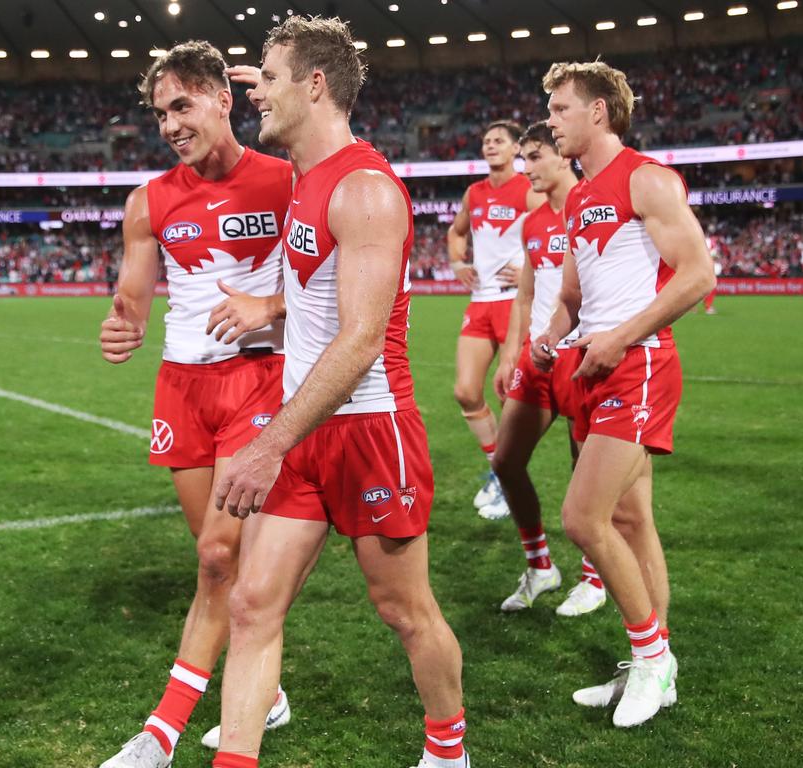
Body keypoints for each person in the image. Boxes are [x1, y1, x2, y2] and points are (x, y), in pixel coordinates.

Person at [211, 16, 468, 768]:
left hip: (367, 428)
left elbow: (360, 338)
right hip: (305, 430)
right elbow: (324, 287)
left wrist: (266, 445)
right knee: (252, 603)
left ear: (315, 84)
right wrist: (271, 307)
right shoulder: (306, 175)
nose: (258, 92)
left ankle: (449, 753)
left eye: (271, 76)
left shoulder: (365, 189)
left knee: (403, 610)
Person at [97, 41, 294, 768]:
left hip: (259, 380)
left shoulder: (287, 178)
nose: (170, 124)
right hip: (182, 386)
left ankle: (162, 731)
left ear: (222, 99)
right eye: (159, 114)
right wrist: (123, 324)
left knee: (217, 554)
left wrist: (267, 308)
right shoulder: (148, 201)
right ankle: (265, 692)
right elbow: (134, 297)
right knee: (217, 563)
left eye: (183, 105)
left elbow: (325, 292)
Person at [533, 60, 715, 727]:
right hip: (593, 367)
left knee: (583, 519)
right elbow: (576, 295)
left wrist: (616, 338)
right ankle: (650, 667)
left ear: (598, 112)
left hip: (638, 366)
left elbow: (697, 276)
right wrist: (557, 333)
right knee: (632, 522)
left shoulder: (646, 178)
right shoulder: (578, 196)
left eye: (559, 109)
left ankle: (652, 656)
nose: (551, 122)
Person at [490, 122, 607, 617]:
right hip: (536, 359)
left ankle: (593, 577)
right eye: (524, 159)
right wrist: (511, 351)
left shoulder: (592, 207)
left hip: (582, 357)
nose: (527, 169)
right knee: (504, 462)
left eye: (535, 157)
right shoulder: (533, 222)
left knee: (586, 474)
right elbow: (527, 293)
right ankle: (541, 566)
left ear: (562, 157)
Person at [448, 120, 542, 520]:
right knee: (466, 391)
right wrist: (456, 262)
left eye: (498, 141)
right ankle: (498, 471)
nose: (490, 146)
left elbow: (554, 232)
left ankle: (506, 477)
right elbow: (456, 233)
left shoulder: (531, 190)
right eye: (485, 140)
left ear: (515, 150)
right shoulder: (475, 192)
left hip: (513, 304)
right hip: (480, 302)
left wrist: (527, 267)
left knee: (508, 394)